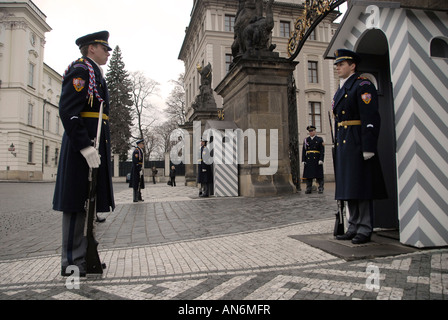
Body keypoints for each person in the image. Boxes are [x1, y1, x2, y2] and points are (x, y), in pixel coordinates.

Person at [53, 31, 115, 277]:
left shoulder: (94, 73)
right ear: (91, 48)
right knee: (76, 204)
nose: (108, 52)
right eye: (104, 47)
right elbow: (68, 110)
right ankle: (71, 262)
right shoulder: (81, 71)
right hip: (83, 148)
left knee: (88, 204)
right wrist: (84, 145)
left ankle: (83, 257)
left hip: (92, 146)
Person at [331, 49, 387, 245]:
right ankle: (353, 225)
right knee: (349, 187)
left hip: (356, 140)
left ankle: (364, 227)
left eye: (341, 64)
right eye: (336, 65)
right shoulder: (341, 89)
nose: (337, 67)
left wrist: (368, 145)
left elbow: (370, 116)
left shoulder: (362, 85)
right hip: (344, 141)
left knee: (361, 186)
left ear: (352, 65)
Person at [302, 125, 325, 194]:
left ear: (315, 131)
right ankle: (308, 187)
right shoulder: (306, 140)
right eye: (310, 131)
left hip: (317, 158)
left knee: (319, 175)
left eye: (312, 131)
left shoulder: (319, 139)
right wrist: (303, 160)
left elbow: (322, 150)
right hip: (309, 159)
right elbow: (304, 151)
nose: (311, 132)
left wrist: (321, 159)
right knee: (309, 175)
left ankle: (320, 187)